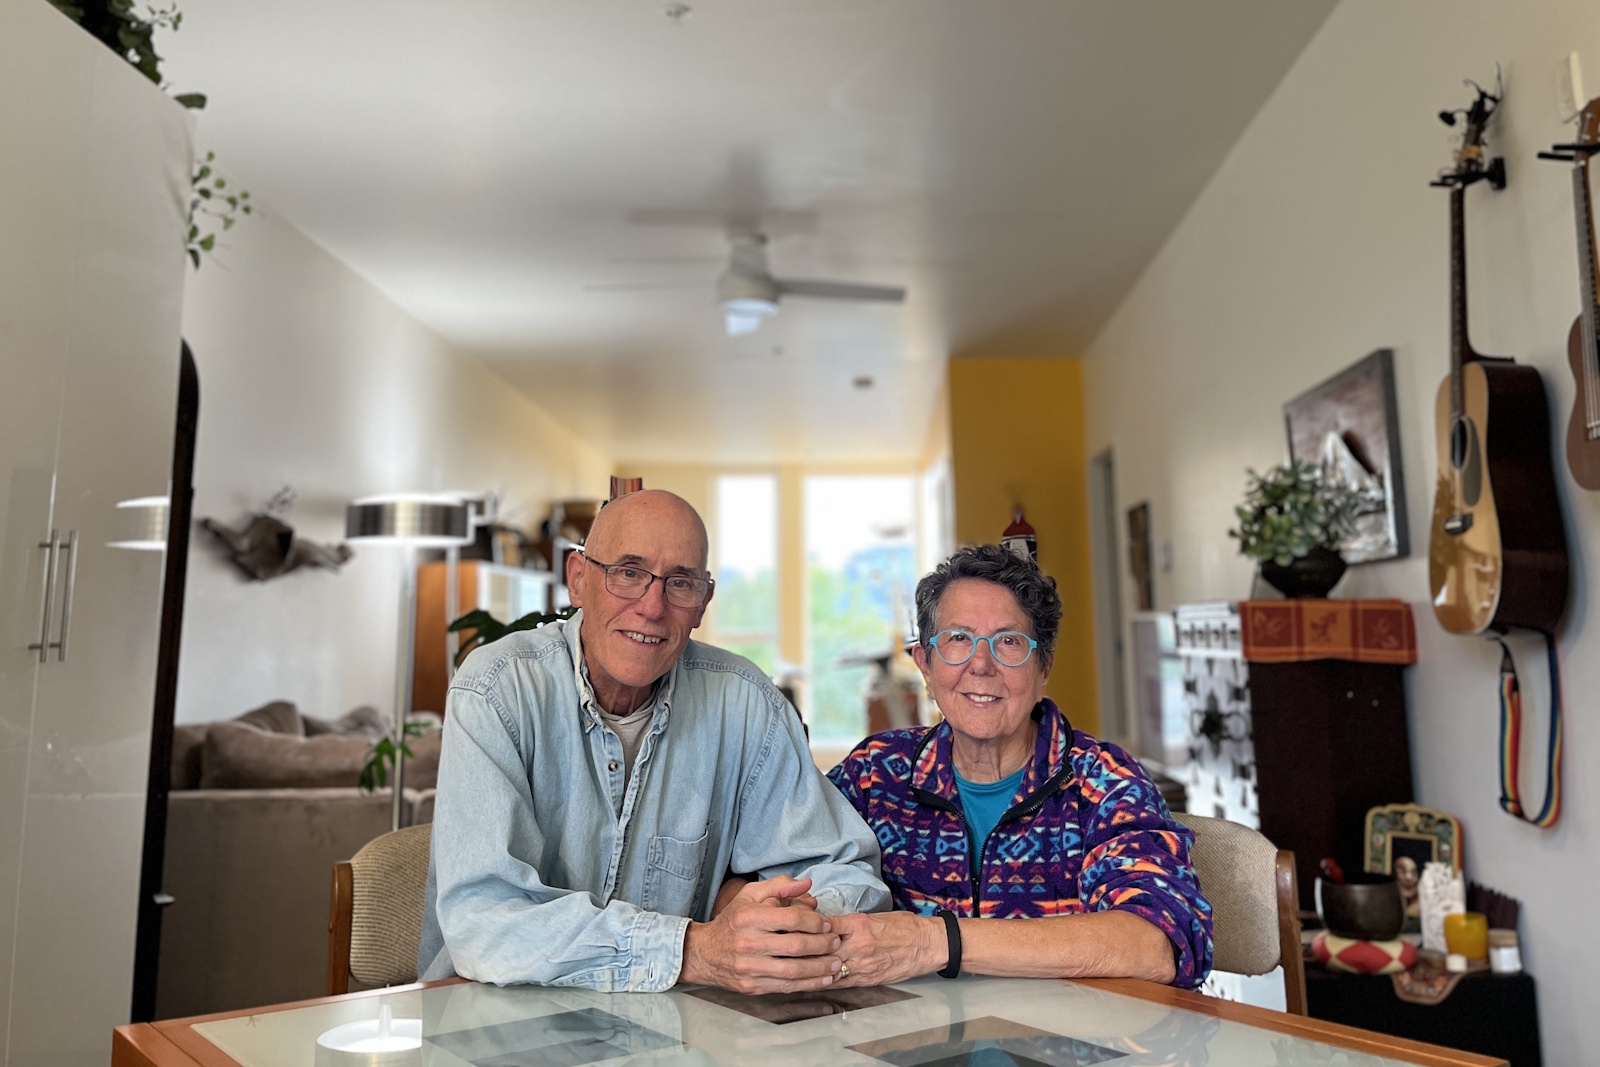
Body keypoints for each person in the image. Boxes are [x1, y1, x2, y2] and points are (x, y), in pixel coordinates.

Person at [417, 489, 888, 993]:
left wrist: (786, 920)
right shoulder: (495, 690)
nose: (652, 607)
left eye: (680, 583)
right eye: (628, 572)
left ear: (702, 604)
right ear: (578, 579)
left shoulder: (746, 702)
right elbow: (484, 921)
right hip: (488, 1014)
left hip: (675, 1021)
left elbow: (843, 871)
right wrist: (692, 949)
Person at [824, 543, 1213, 988]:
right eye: (958, 639)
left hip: (1068, 1032)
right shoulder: (875, 773)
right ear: (925, 666)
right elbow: (784, 869)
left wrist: (935, 941)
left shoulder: (1106, 783)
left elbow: (1157, 945)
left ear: (1043, 668)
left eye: (1009, 641)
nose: (981, 665)